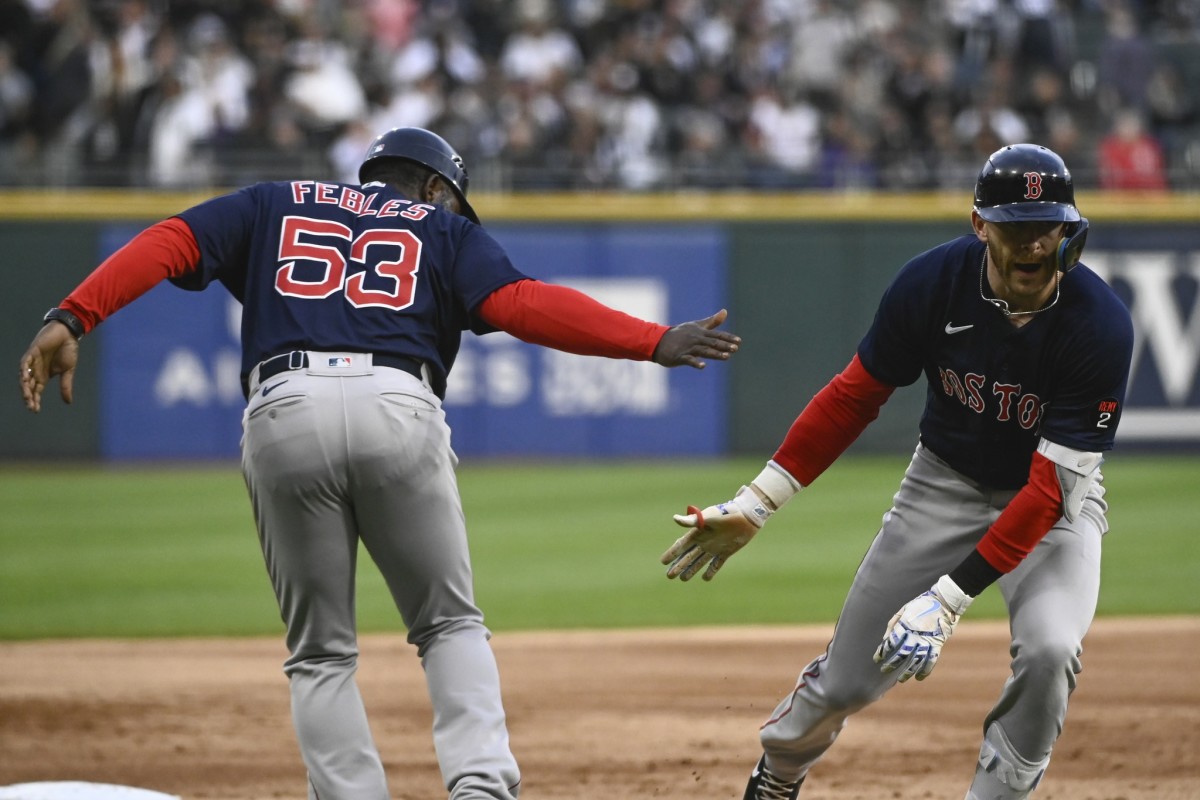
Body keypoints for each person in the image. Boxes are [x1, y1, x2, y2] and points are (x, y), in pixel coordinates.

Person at [18, 126, 741, 800]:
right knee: (449, 625)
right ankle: (481, 787)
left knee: (319, 654)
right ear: (433, 188)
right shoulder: (443, 229)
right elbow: (523, 303)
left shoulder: (272, 202)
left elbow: (169, 241)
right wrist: (651, 341)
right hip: (398, 402)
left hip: (283, 405)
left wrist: (72, 314)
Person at [660, 143, 1133, 800]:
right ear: (980, 225)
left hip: (1050, 506)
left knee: (1052, 650)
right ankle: (779, 773)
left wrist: (948, 599)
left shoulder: (1100, 325)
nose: (1033, 245)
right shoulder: (932, 283)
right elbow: (853, 398)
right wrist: (757, 503)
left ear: (1070, 230)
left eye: (1047, 227)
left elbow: (1050, 490)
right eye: (1015, 227)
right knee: (846, 680)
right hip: (943, 484)